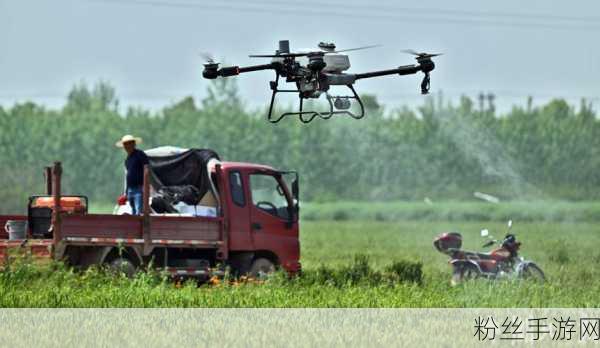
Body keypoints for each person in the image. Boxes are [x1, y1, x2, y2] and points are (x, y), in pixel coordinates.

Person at [115, 134, 149, 215]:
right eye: (125, 144)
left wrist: (146, 186)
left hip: (139, 188)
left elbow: (147, 169)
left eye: (129, 143)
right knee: (133, 211)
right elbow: (128, 176)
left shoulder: (140, 154)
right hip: (130, 189)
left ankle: (140, 227)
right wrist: (126, 193)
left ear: (134, 144)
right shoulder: (128, 159)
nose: (127, 146)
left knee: (138, 212)